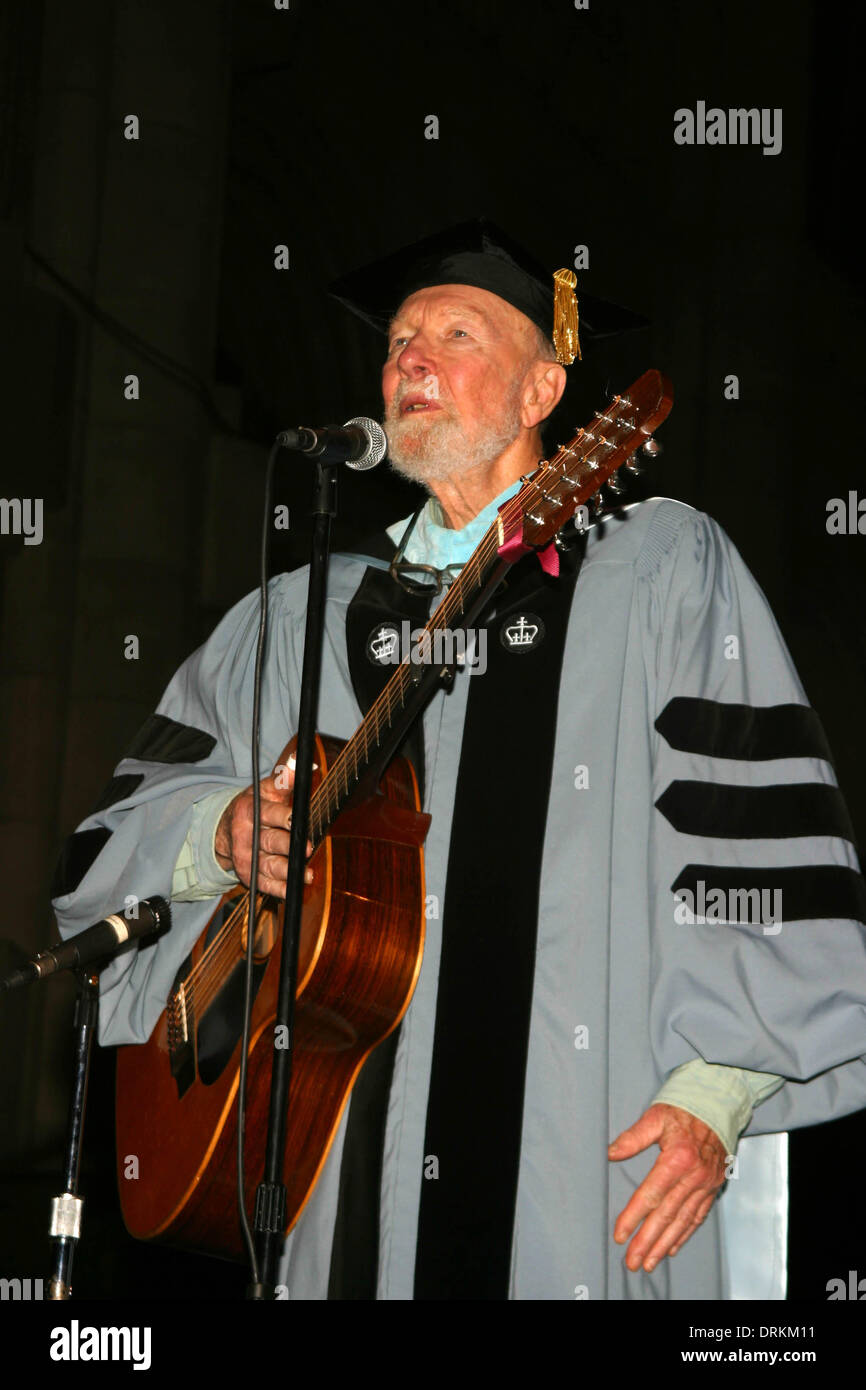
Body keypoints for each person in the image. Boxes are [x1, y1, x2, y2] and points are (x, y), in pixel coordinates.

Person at [53, 220, 866, 1300]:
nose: (408, 359)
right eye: (396, 341)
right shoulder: (296, 618)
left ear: (541, 393)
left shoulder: (656, 571)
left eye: (453, 332)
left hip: (585, 1150)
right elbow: (105, 846)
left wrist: (714, 1094)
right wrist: (215, 836)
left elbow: (755, 846)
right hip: (336, 1162)